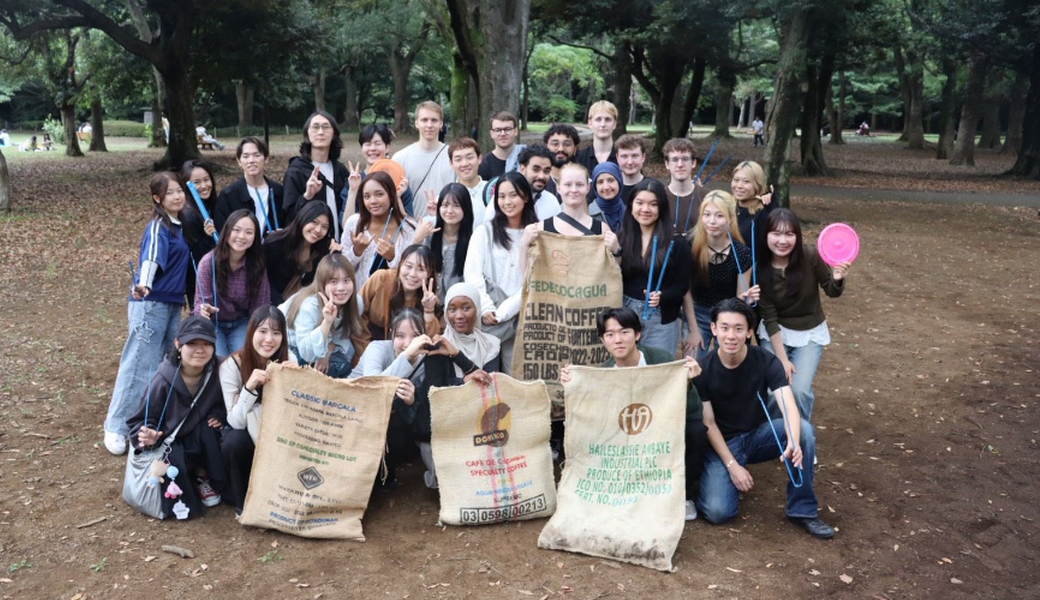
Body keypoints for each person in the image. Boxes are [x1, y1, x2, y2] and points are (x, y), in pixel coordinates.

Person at [693, 298, 834, 539]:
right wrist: (733, 466)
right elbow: (709, 423)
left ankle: (803, 510)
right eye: (724, 328)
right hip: (722, 444)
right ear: (714, 329)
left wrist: (792, 439)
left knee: (805, 432)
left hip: (757, 435)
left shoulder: (765, 360)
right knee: (718, 512)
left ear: (749, 331)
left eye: (739, 329)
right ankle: (710, 480)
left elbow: (788, 403)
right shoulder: (703, 368)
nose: (731, 336)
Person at [560, 306, 706, 521]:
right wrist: (574, 386)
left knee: (696, 431)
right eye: (610, 334)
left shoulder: (661, 360)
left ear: (638, 334)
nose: (618, 339)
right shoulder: (603, 373)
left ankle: (683, 494)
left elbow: (694, 411)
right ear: (603, 340)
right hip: (625, 438)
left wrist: (687, 382)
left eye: (624, 332)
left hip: (661, 431)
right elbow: (594, 420)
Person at [105, 172, 193, 456]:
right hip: (151, 302)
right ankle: (116, 425)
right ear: (158, 198)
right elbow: (151, 259)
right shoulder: (159, 227)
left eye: (180, 191)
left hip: (171, 304)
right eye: (170, 193)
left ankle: (145, 421)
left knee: (162, 364)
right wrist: (144, 284)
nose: (177, 196)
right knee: (138, 363)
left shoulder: (180, 226)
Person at [127, 315, 228, 518]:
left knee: (212, 431)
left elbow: (227, 402)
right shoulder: (162, 380)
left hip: (201, 434)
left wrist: (219, 414)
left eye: (206, 343)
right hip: (172, 441)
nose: (200, 350)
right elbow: (140, 421)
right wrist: (148, 435)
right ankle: (190, 483)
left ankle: (206, 477)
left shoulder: (221, 369)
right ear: (178, 344)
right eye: (192, 343)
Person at [756, 209, 849, 422]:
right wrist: (782, 360)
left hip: (809, 331)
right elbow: (769, 318)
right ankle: (777, 435)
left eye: (789, 234)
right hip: (776, 333)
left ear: (797, 236)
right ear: (766, 236)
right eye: (776, 234)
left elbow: (832, 291)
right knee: (774, 389)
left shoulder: (810, 256)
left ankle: (802, 437)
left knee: (799, 390)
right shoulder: (760, 268)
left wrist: (837, 277)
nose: (782, 240)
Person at [413, 282, 500, 489]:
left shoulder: (491, 344)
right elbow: (435, 393)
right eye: (452, 309)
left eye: (466, 308)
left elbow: (488, 385)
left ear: (477, 310)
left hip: (478, 423)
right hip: (444, 428)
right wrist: (464, 382)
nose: (459, 315)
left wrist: (456, 355)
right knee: (449, 483)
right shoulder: (437, 345)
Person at [464, 171, 538, 374]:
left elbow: (534, 279)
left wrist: (505, 311)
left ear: (525, 196)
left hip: (523, 317)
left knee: (517, 378)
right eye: (502, 196)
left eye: (513, 195)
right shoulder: (484, 232)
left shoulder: (535, 234)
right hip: (490, 319)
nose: (507, 202)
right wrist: (487, 308)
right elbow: (472, 273)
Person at [219, 306, 289, 513]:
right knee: (234, 442)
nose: (269, 339)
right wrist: (249, 387)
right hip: (247, 433)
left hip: (277, 431)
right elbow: (235, 421)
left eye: (276, 333)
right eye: (263, 331)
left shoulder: (288, 359)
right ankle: (244, 505)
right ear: (250, 332)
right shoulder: (231, 365)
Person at [348, 309, 428, 487]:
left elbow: (420, 407)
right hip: (356, 411)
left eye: (415, 336)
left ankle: (386, 472)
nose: (407, 343)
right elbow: (373, 387)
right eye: (400, 335)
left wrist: (411, 401)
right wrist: (407, 357)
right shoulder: (377, 348)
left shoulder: (424, 362)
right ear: (391, 334)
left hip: (390, 419)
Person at [618, 179, 691, 356]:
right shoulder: (621, 238)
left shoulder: (677, 243)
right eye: (640, 203)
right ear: (631, 205)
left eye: (653, 204)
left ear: (662, 208)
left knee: (658, 370)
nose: (645, 209)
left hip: (661, 318)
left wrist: (662, 296)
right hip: (626, 314)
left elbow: (682, 286)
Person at [684, 191, 759, 361]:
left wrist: (747, 298)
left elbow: (740, 295)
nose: (712, 221)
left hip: (727, 315)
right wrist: (693, 330)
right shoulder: (690, 246)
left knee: (727, 363)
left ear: (730, 218)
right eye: (707, 215)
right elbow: (685, 290)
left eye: (719, 216)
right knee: (693, 363)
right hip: (697, 313)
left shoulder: (741, 253)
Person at [193, 210, 271, 356]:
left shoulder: (257, 266)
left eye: (249, 232)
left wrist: (259, 332)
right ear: (227, 231)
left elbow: (260, 306)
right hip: (214, 323)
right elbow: (200, 303)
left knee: (242, 359)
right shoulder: (208, 262)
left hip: (241, 322)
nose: (241, 237)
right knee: (219, 359)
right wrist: (203, 310)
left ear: (255, 237)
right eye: (236, 230)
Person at [282, 253, 370, 378]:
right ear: (322, 284)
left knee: (344, 361)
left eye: (346, 280)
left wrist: (327, 352)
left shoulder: (356, 303)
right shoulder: (310, 306)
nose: (341, 288)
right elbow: (306, 352)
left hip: (324, 342)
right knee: (323, 369)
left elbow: (342, 333)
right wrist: (327, 322)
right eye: (333, 282)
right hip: (290, 343)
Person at [520, 162, 619, 272]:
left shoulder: (602, 229)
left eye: (579, 184)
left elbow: (613, 273)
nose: (574, 190)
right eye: (567, 184)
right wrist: (525, 244)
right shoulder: (542, 229)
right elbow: (528, 275)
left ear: (588, 187)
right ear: (558, 187)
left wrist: (616, 250)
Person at [341, 171, 418, 290]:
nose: (373, 201)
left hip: (396, 301)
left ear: (391, 195)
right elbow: (342, 268)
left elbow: (413, 273)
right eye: (367, 196)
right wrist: (357, 251)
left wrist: (392, 257)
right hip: (360, 300)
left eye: (379, 194)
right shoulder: (354, 223)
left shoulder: (409, 227)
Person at [283, 110, 349, 234]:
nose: (320, 132)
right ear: (307, 133)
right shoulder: (296, 172)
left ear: (334, 133)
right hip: (310, 247)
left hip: (338, 246)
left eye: (325, 127)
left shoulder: (340, 170)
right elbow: (289, 216)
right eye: (315, 127)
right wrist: (307, 196)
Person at [358, 244, 442, 340]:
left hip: (409, 349)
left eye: (421, 269)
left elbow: (430, 338)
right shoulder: (381, 278)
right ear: (400, 265)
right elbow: (356, 312)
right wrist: (364, 347)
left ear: (429, 273)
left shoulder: (429, 298)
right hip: (371, 342)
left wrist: (428, 310)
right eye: (408, 266)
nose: (412, 274)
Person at [263, 200, 336, 305]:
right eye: (314, 222)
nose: (318, 230)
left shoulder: (324, 249)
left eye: (324, 227)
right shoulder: (276, 243)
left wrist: (336, 251)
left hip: (304, 306)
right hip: (272, 305)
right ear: (303, 219)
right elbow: (263, 279)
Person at [392, 101, 455, 218]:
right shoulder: (400, 158)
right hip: (411, 226)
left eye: (434, 120)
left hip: (446, 227)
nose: (429, 125)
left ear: (441, 124)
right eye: (424, 120)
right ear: (416, 123)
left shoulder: (454, 156)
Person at [213, 137, 286, 236]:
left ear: (266, 159)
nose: (251, 160)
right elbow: (222, 230)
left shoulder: (278, 192)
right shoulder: (229, 195)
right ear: (239, 161)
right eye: (246, 156)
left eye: (256, 155)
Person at [341, 124, 414, 218]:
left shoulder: (399, 182)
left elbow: (410, 226)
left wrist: (397, 196)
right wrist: (353, 190)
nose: (372, 148)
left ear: (387, 147)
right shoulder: (354, 181)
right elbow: (346, 225)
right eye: (367, 144)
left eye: (378, 143)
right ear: (362, 148)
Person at [179, 160, 219, 305]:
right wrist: (208, 237)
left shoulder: (211, 206)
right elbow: (198, 256)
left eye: (206, 180)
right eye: (196, 182)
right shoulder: (189, 216)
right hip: (201, 284)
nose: (203, 186)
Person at [426, 183, 475, 300]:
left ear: (466, 208)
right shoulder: (429, 232)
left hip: (456, 308)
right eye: (445, 205)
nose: (449, 211)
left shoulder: (473, 241)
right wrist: (417, 239)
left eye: (456, 205)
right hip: (427, 302)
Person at [663, 137, 708, 239]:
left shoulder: (707, 198)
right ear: (667, 164)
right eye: (674, 160)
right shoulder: (659, 197)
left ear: (693, 163)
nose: (680, 165)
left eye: (685, 159)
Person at [730, 160, 775, 246]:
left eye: (746, 181)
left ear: (757, 184)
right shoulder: (727, 208)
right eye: (736, 180)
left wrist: (772, 205)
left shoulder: (763, 213)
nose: (739, 186)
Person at [514, 144, 563, 221]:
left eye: (546, 171)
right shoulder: (505, 198)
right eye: (536, 170)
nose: (541, 176)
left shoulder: (551, 201)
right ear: (522, 169)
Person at [446, 137, 487, 225]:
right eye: (458, 159)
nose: (464, 164)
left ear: (479, 158)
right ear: (451, 163)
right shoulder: (445, 197)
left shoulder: (492, 192)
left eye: (470, 157)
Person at [478, 111, 526, 180]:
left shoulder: (527, 157)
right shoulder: (484, 164)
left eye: (507, 129)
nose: (503, 134)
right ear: (492, 133)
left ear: (516, 131)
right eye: (498, 130)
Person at [575, 100, 619, 173]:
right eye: (598, 119)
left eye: (608, 119)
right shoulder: (579, 158)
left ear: (614, 124)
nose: (603, 124)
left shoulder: (624, 157)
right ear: (590, 123)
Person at [615, 134, 660, 202]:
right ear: (617, 158)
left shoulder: (655, 187)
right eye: (624, 156)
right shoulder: (611, 189)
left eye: (634, 156)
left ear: (643, 157)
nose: (630, 162)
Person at [542, 123, 581, 197]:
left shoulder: (583, 183)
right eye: (555, 144)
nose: (561, 149)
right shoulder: (539, 182)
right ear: (546, 147)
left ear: (575, 148)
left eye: (567, 144)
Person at [590, 161, 625, 232]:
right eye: (600, 182)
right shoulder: (588, 214)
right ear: (595, 186)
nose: (606, 187)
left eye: (611, 180)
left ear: (619, 182)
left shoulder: (630, 214)